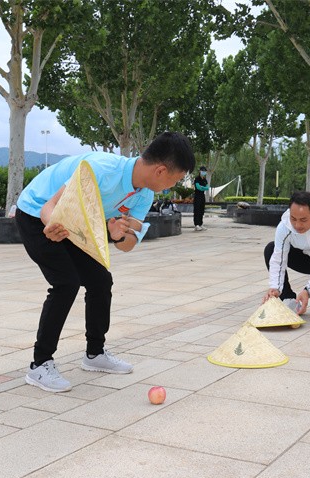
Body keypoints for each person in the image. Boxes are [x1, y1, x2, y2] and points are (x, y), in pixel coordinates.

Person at [15, 132, 195, 392]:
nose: (172, 186)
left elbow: (127, 244)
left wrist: (117, 235)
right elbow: (50, 206)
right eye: (175, 179)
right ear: (161, 171)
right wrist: (52, 226)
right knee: (66, 283)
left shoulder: (144, 194)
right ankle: (40, 364)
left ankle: (94, 354)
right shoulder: (100, 169)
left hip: (75, 223)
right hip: (36, 213)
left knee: (100, 280)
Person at [193, 166, 209, 231]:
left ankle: (200, 224)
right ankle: (196, 225)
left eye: (205, 171)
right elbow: (198, 187)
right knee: (197, 210)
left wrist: (202, 187)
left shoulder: (205, 180)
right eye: (202, 171)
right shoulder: (197, 179)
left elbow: (207, 188)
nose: (204, 172)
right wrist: (202, 187)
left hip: (202, 196)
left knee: (201, 210)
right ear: (200, 171)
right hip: (197, 196)